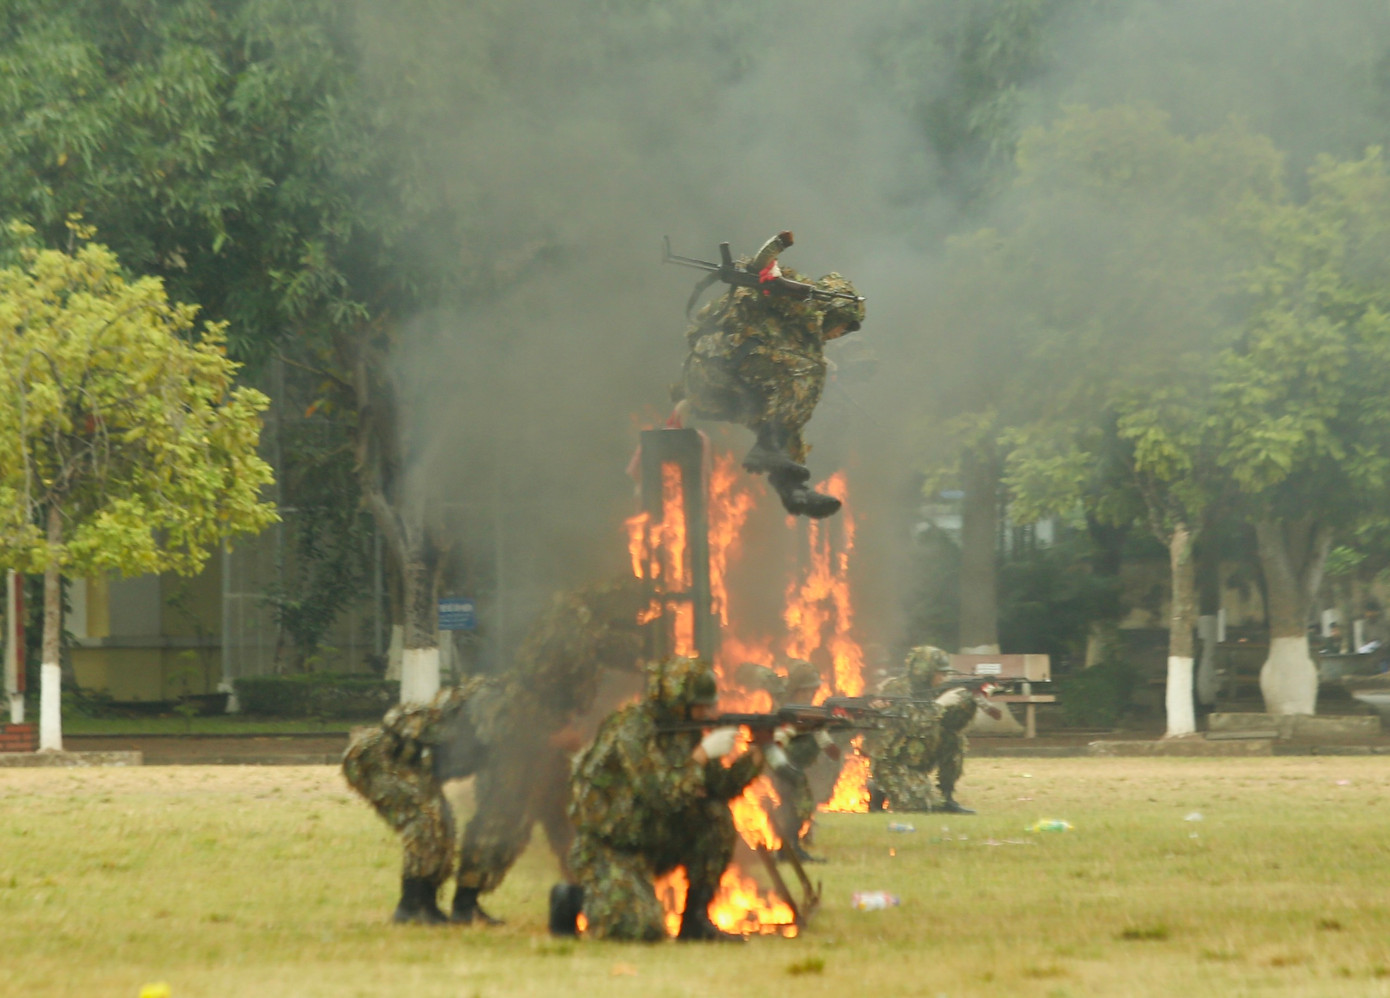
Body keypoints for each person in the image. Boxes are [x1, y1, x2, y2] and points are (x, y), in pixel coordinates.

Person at [448, 575, 649, 925]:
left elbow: (607, 654)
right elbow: (530, 704)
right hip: (524, 742)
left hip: (548, 740)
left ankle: (583, 899)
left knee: (569, 822)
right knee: (503, 820)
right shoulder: (569, 633)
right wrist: (552, 736)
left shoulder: (579, 625)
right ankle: (465, 903)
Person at [566, 656, 765, 942]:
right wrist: (701, 755)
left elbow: (720, 788)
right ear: (679, 701)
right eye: (702, 705)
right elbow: (659, 793)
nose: (709, 711)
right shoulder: (632, 729)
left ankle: (696, 922)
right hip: (613, 846)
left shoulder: (685, 732)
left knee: (714, 816)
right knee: (638, 930)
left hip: (656, 838)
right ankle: (572, 898)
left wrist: (760, 749)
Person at [673, 233, 865, 519]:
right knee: (808, 374)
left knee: (789, 409)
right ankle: (767, 447)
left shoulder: (794, 332)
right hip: (718, 368)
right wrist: (775, 256)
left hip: (729, 385)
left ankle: (794, 489)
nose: (839, 335)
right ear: (835, 314)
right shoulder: (800, 303)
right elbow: (762, 269)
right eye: (843, 326)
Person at [342, 678, 487, 924]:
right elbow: (400, 725)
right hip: (376, 758)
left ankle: (426, 904)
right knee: (423, 821)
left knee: (442, 825)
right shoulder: (466, 714)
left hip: (405, 764)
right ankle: (410, 907)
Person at [864, 645, 982, 815]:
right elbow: (911, 724)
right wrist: (939, 704)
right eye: (939, 673)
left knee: (953, 738)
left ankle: (947, 797)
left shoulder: (932, 690)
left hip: (916, 758)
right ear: (925, 671)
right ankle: (878, 789)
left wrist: (970, 702)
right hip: (892, 762)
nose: (943, 677)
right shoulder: (896, 689)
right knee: (921, 807)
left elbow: (952, 724)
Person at [742, 660, 841, 863]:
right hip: (778, 765)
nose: (811, 694)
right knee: (793, 805)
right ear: (797, 690)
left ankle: (789, 847)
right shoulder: (783, 711)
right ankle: (788, 848)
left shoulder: (805, 712)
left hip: (790, 765)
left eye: (814, 690)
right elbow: (774, 742)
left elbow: (828, 746)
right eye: (807, 690)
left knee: (799, 805)